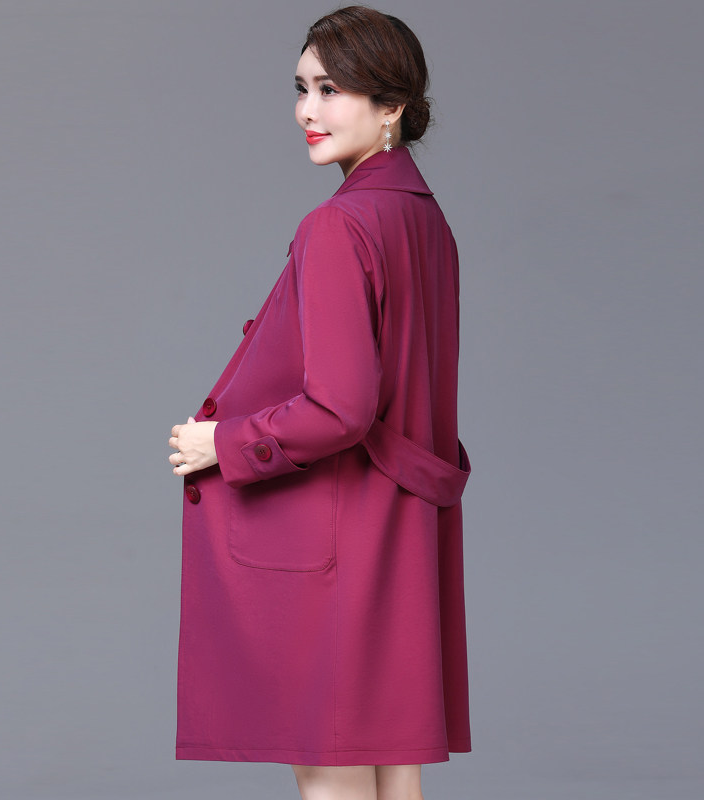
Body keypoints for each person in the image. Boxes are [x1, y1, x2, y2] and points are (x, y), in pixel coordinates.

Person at [167, 7, 471, 799]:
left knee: (331, 774)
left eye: (332, 90)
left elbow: (341, 408)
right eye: (302, 88)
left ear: (392, 105)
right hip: (400, 532)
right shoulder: (424, 221)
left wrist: (220, 443)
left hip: (337, 540)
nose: (308, 110)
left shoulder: (338, 225)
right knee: (392, 773)